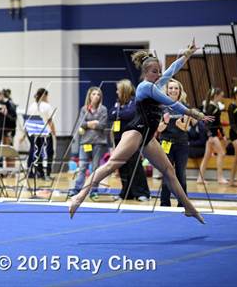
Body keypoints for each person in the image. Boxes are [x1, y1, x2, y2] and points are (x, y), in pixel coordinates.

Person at [69, 39, 214, 224]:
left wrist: (188, 54)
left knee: (169, 170)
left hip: (148, 136)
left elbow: (173, 70)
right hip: (136, 132)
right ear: (146, 72)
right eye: (155, 71)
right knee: (112, 164)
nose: (159, 73)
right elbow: (171, 103)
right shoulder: (146, 87)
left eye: (159, 70)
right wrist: (195, 113)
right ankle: (79, 197)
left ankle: (187, 207)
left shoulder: (156, 82)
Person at [108, 79, 150, 201]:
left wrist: (118, 113)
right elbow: (111, 114)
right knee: (122, 165)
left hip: (131, 138)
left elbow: (131, 113)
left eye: (118, 89)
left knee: (134, 164)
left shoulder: (134, 101)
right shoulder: (118, 103)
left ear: (125, 90)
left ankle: (142, 192)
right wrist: (120, 112)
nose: (116, 92)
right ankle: (126, 192)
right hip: (118, 138)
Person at [157, 78, 194, 207]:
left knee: (181, 174)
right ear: (167, 90)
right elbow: (159, 129)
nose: (173, 90)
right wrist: (166, 122)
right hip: (166, 143)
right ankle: (164, 202)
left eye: (176, 88)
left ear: (180, 91)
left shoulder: (185, 107)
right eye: (171, 88)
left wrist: (180, 125)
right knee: (167, 173)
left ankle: (182, 202)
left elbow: (186, 128)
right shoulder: (161, 107)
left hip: (181, 144)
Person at [69, 87, 108, 199]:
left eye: (98, 94)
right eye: (94, 94)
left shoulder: (103, 109)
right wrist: (93, 123)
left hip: (98, 142)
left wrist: (89, 124)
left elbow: (102, 125)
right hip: (85, 142)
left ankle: (94, 190)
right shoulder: (84, 109)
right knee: (82, 167)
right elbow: (81, 124)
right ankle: (77, 189)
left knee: (96, 168)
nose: (96, 96)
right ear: (89, 96)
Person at [197, 88, 228, 185]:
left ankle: (199, 178)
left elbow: (217, 123)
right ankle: (219, 177)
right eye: (221, 96)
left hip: (213, 134)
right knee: (221, 153)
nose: (222, 98)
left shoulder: (215, 106)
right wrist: (210, 134)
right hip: (212, 135)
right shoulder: (211, 107)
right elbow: (206, 121)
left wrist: (222, 135)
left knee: (206, 157)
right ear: (216, 95)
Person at [26, 88, 56, 180]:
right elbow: (50, 121)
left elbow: (28, 119)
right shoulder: (47, 106)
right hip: (45, 133)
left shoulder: (32, 106)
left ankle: (37, 173)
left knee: (35, 152)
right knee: (48, 153)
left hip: (33, 132)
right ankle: (47, 173)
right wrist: (54, 133)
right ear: (44, 95)